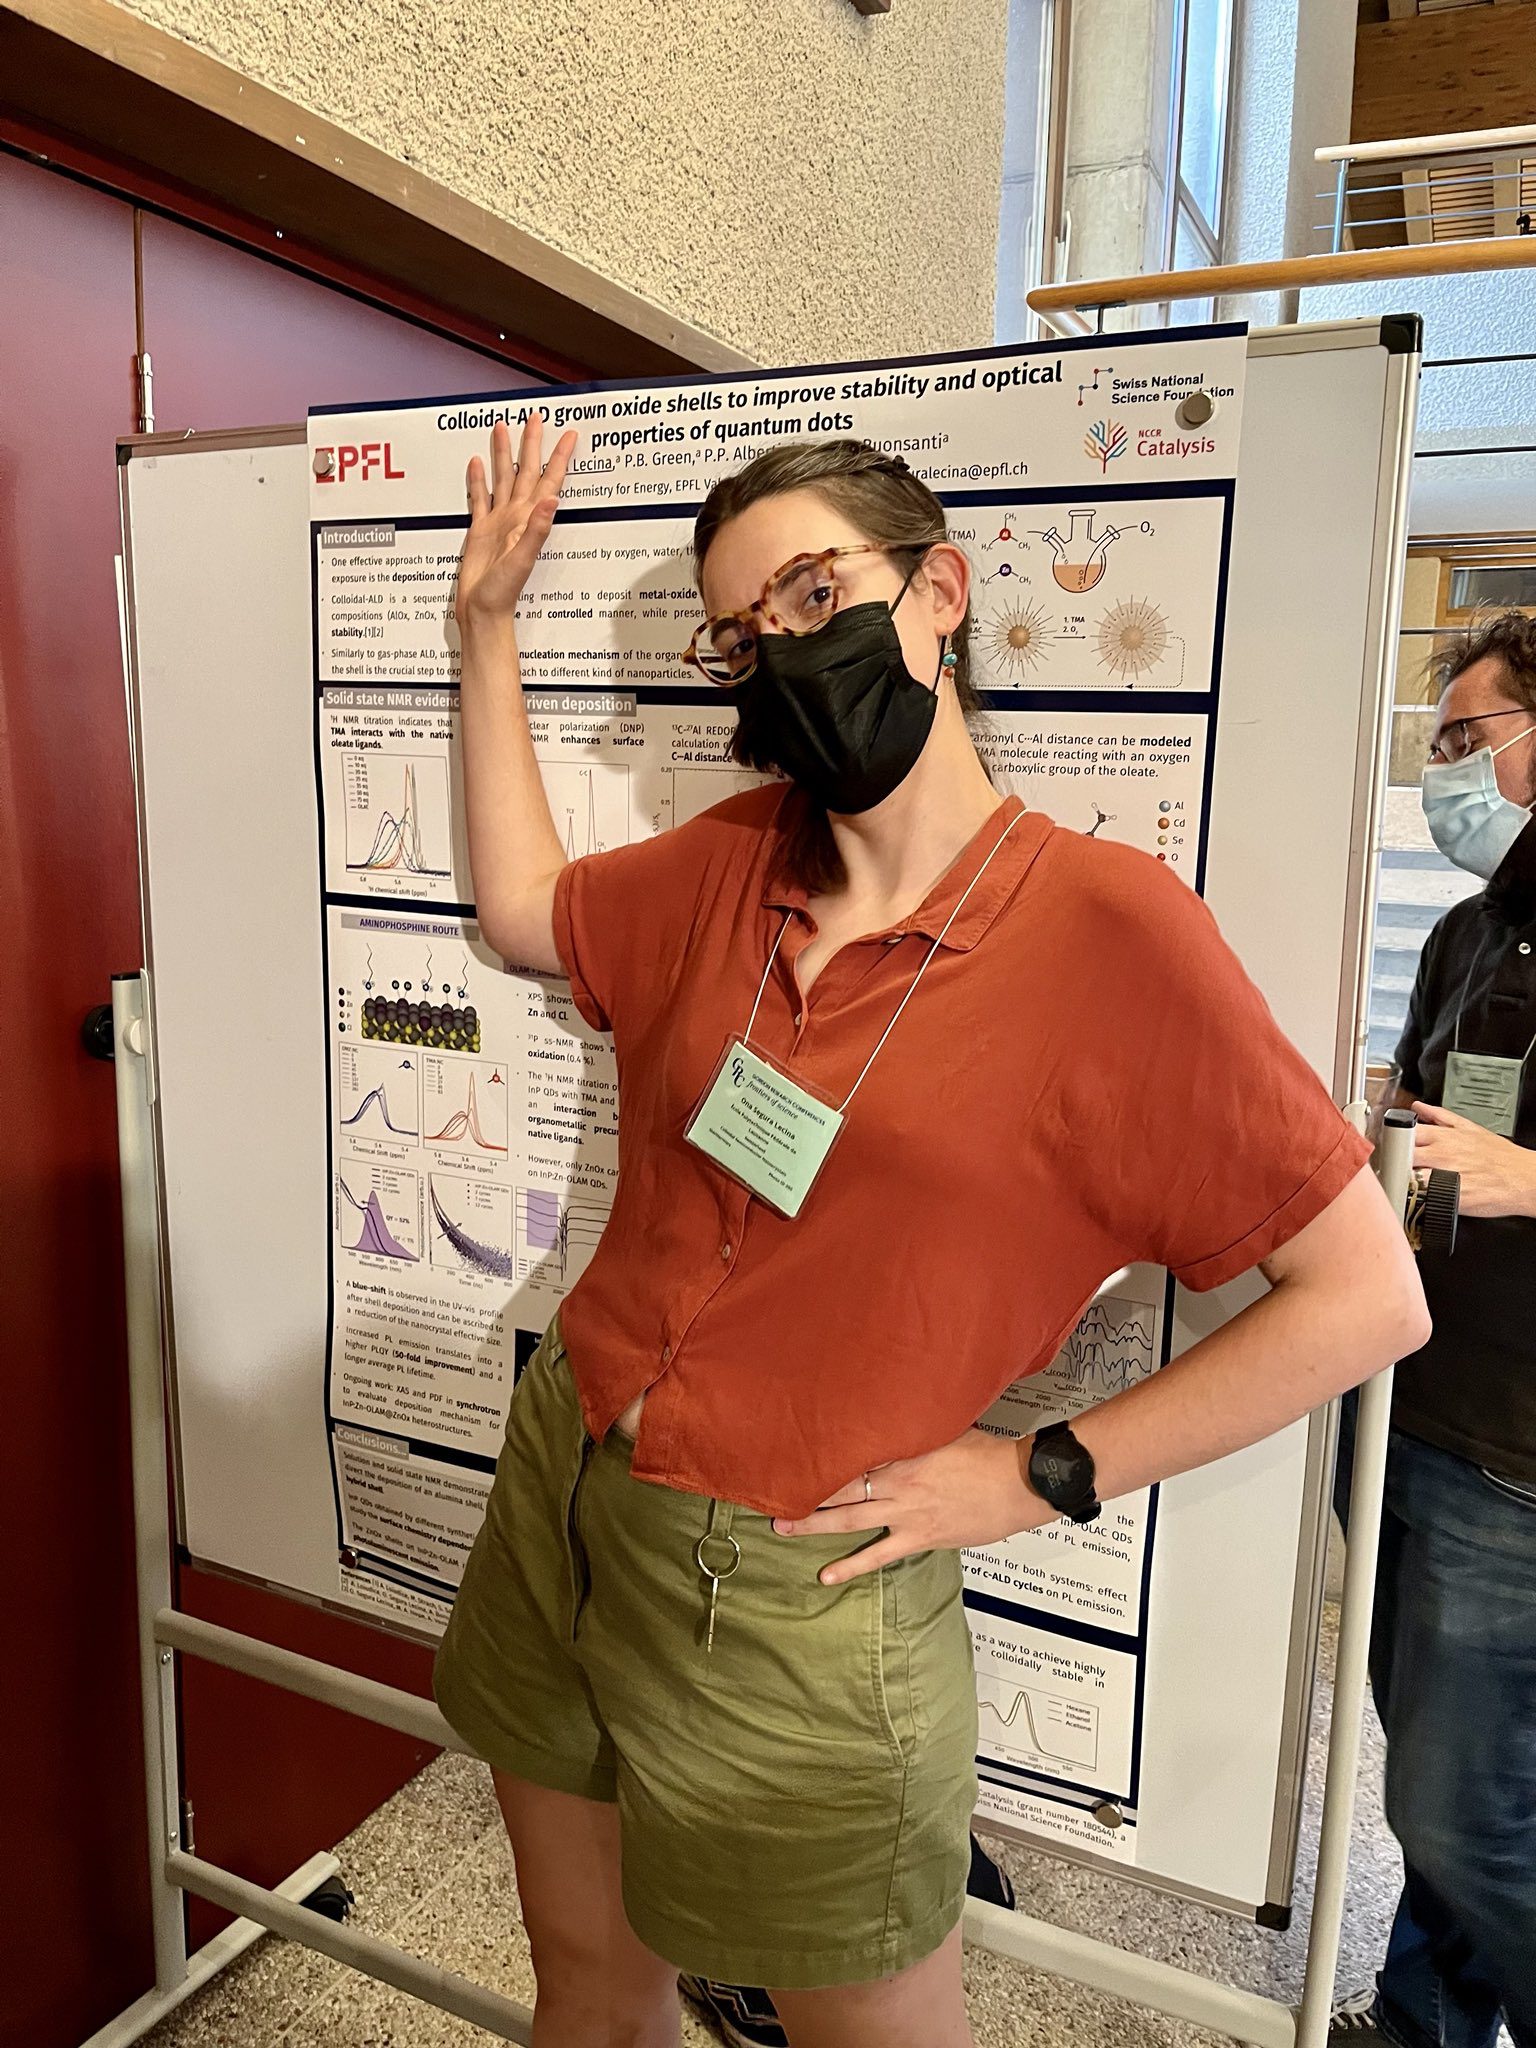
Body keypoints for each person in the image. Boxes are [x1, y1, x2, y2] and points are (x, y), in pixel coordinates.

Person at [433, 411, 1428, 2048]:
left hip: (795, 1573)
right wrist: (485, 628)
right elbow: (526, 912)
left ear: (940, 592)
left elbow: (1367, 1295)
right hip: (569, 1471)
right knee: (588, 1991)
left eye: (814, 596)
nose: (782, 654)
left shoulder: (1109, 934)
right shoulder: (732, 864)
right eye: (742, 636)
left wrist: (1043, 1472)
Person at [1330, 612, 1536, 2048]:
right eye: (1443, 737)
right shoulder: (1472, 929)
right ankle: (1423, 2026)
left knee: (1458, 1809)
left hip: (1514, 1460)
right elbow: (1433, 1118)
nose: (1445, 768)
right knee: (1442, 1765)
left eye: (1472, 735)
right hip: (1415, 1397)